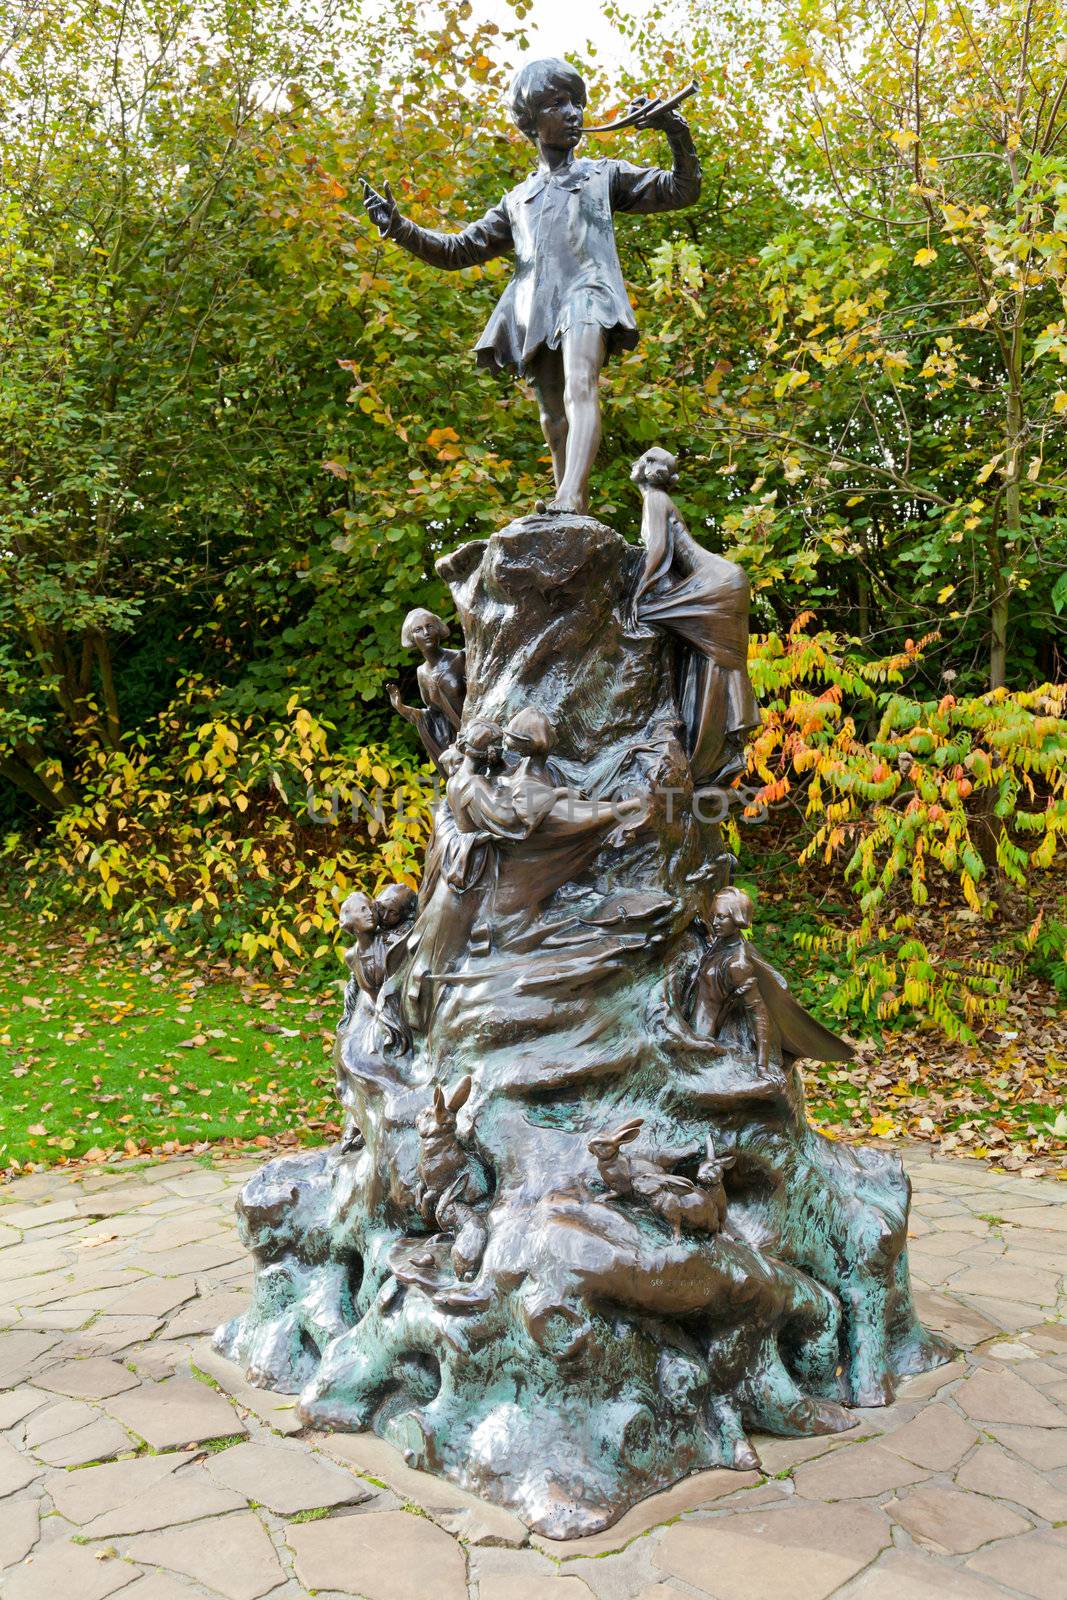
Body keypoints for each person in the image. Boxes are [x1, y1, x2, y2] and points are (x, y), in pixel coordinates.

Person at [361, 58, 701, 514]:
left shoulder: (604, 174)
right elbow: (457, 251)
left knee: (581, 384)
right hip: (536, 308)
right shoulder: (517, 199)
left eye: (577, 103)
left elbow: (683, 188)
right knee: (552, 418)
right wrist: (400, 228)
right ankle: (566, 510)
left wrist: (675, 131)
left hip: (589, 293)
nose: (573, 113)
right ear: (530, 120)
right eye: (557, 104)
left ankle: (571, 498)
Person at [630, 448, 759, 788]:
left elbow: (657, 552)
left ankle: (705, 763)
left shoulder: (655, 499)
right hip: (723, 580)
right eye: (653, 461)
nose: (650, 467)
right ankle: (711, 761)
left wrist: (638, 592)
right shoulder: (657, 499)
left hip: (715, 584)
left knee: (713, 668)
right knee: (711, 667)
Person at [693, 887, 852, 1074]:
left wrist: (762, 1065)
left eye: (721, 917)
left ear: (738, 921)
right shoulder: (724, 941)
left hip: (703, 1036)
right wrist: (705, 933)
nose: (714, 922)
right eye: (714, 916)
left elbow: (759, 1014)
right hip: (695, 1020)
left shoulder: (738, 965)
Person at [387, 608, 465, 770]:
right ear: (412, 638)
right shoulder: (421, 673)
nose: (426, 633)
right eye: (418, 629)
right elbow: (436, 715)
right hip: (461, 742)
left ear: (438, 629)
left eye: (429, 626)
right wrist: (403, 709)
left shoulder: (461, 658)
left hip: (483, 731)